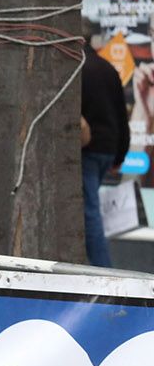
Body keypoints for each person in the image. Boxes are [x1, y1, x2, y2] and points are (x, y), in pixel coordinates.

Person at [81, 38, 130, 268]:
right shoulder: (107, 68)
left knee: (89, 213)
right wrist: (119, 156)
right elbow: (121, 116)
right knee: (88, 209)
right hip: (107, 150)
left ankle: (102, 270)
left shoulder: (77, 69)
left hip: (88, 149)